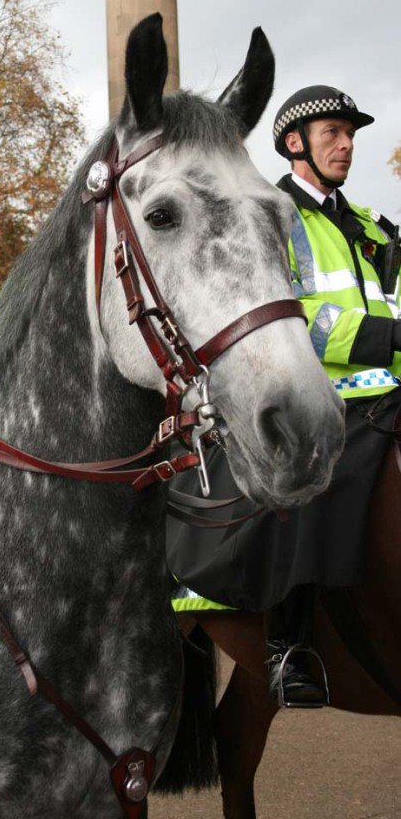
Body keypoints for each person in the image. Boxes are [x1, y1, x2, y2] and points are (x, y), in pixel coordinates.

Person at [166, 84, 401, 707]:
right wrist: (392, 337)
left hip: (392, 386)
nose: (346, 145)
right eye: (333, 134)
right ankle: (290, 643)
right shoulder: (272, 213)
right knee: (316, 479)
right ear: (295, 143)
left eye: (352, 135)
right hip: (320, 388)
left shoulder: (374, 225)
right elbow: (299, 316)